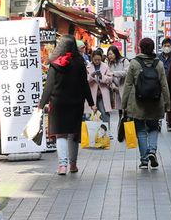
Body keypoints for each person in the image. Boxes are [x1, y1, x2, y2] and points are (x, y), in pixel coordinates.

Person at [38, 35, 96, 175]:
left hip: (58, 104)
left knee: (61, 134)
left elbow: (49, 87)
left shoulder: (55, 63)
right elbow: (84, 85)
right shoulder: (80, 63)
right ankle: (73, 165)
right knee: (73, 134)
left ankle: (62, 165)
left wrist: (41, 105)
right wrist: (91, 103)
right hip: (76, 103)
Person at [122, 37, 171, 169]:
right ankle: (152, 151)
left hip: (138, 102)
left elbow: (127, 85)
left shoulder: (134, 63)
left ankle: (144, 160)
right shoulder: (159, 64)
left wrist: (124, 104)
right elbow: (164, 85)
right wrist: (167, 103)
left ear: (140, 48)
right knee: (154, 127)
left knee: (141, 131)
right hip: (155, 101)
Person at [87, 49, 112, 122]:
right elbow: (84, 81)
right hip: (91, 95)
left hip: (102, 94)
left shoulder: (105, 66)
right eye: (95, 60)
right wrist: (91, 76)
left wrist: (101, 76)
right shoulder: (87, 67)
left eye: (99, 59)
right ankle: (93, 133)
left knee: (104, 114)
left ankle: (106, 131)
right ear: (92, 58)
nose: (97, 61)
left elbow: (110, 79)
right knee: (91, 116)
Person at [106, 45, 130, 110]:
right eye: (108, 54)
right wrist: (113, 86)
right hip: (117, 90)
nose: (109, 56)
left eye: (111, 54)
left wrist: (114, 73)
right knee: (119, 109)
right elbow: (109, 77)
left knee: (127, 109)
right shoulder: (110, 64)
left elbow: (126, 72)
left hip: (125, 89)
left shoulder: (124, 61)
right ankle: (120, 119)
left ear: (116, 53)